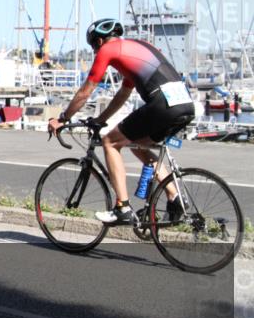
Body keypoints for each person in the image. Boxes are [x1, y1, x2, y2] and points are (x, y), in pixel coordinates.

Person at [48, 18, 194, 225]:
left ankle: (122, 207)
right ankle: (175, 196)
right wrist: (101, 119)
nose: (96, 52)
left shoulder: (108, 50)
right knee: (138, 146)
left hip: (162, 104)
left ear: (98, 42)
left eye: (93, 48)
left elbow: (85, 92)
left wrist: (63, 118)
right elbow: (124, 93)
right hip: (185, 104)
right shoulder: (137, 48)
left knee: (110, 142)